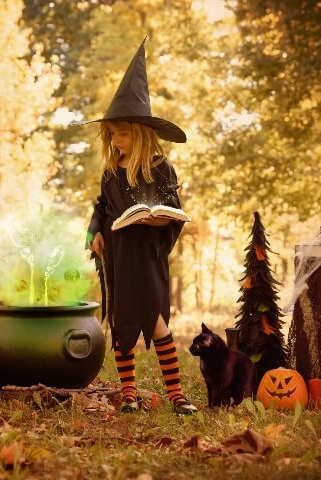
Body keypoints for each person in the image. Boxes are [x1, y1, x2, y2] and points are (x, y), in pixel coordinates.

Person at [83, 39, 197, 415]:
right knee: (123, 323)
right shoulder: (110, 172)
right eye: (112, 134)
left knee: (158, 321)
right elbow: (101, 208)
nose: (116, 140)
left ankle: (177, 395)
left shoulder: (161, 168)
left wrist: (163, 218)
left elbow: (173, 207)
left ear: (142, 133)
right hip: (119, 256)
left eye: (123, 133)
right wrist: (94, 231)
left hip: (148, 257)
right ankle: (129, 393)